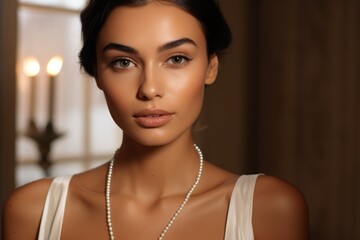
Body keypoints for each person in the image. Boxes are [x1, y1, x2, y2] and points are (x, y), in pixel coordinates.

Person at [2, 0, 309, 239]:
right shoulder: (33, 212)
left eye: (176, 59)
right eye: (123, 62)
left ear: (210, 67)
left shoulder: (270, 210)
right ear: (96, 73)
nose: (149, 88)